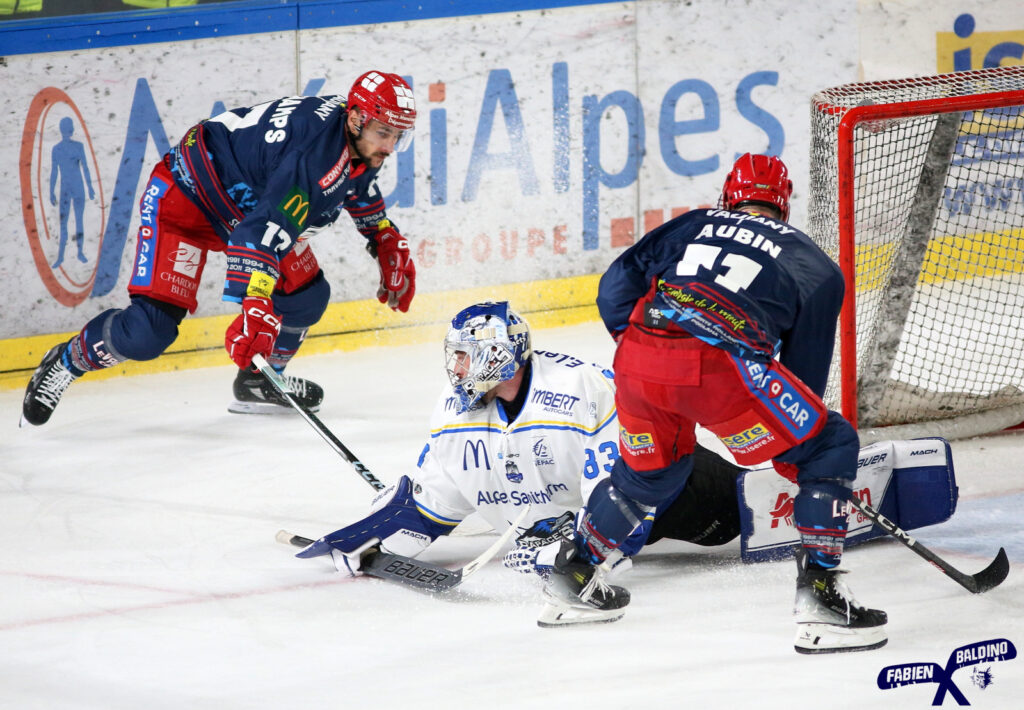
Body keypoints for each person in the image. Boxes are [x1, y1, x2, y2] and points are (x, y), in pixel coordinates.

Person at [547, 153, 887, 653]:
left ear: (728, 197)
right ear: (784, 206)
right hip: (723, 368)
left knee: (650, 476)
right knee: (828, 445)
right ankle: (822, 597)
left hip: (639, 358)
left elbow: (614, 288)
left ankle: (574, 576)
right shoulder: (817, 266)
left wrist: (645, 350)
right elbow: (803, 379)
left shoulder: (694, 222)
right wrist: (803, 463)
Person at [294, 301, 747, 626]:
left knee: (741, 512)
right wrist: (372, 534)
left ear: (496, 355)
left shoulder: (582, 389)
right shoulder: (453, 412)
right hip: (584, 515)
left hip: (676, 492)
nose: (455, 367)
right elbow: (434, 500)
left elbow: (629, 497)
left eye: (464, 354)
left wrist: (569, 548)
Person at [22, 70, 418, 426]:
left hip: (248, 206)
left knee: (307, 296)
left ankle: (259, 381)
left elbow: (353, 181)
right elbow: (260, 232)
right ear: (356, 118)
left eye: (398, 135)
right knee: (147, 332)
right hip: (186, 200)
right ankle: (68, 360)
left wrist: (381, 234)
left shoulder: (356, 137)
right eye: (384, 132)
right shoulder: (311, 159)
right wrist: (255, 303)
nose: (390, 145)